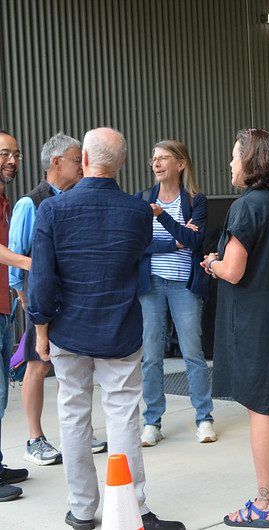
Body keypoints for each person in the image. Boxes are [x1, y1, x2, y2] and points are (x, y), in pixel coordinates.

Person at [27, 127, 185, 529]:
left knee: (74, 416)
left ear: (83, 162)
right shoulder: (136, 211)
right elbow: (134, 262)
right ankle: (134, 506)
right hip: (120, 327)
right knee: (123, 416)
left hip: (68, 328)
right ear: (124, 164)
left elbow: (43, 279)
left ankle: (82, 510)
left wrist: (41, 332)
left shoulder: (53, 210)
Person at [200, 129, 269, 528]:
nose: (230, 164)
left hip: (255, 321)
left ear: (253, 163)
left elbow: (233, 269)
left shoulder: (246, 207)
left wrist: (211, 263)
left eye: (234, 156)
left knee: (260, 407)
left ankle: (264, 503)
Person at [9, 133, 109, 466]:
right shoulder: (29, 203)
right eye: (75, 158)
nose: (82, 164)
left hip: (72, 299)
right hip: (39, 300)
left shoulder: (73, 198)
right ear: (56, 163)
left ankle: (78, 432)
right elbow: (17, 255)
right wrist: (26, 299)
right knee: (38, 366)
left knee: (76, 366)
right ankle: (34, 438)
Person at [135, 140, 215, 446]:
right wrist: (174, 241)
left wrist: (162, 217)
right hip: (152, 284)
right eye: (153, 158)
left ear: (180, 164)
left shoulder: (197, 200)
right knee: (151, 356)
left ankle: (204, 418)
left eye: (163, 158)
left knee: (193, 353)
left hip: (184, 285)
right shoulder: (142, 200)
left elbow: (195, 243)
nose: (155, 163)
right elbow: (139, 245)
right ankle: (152, 421)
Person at [0, 130, 28, 503]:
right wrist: (30, 264)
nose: (12, 160)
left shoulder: (5, 200)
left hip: (3, 306)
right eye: (5, 153)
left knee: (1, 393)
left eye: (16, 154)